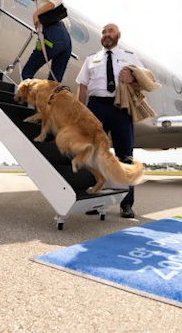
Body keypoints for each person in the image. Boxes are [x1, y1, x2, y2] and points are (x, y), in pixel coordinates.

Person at [75, 23, 144, 218]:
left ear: (118, 35)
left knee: (125, 155)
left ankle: (126, 204)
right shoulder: (91, 59)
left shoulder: (129, 56)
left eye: (110, 31)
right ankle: (94, 201)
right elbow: (82, 87)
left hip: (120, 108)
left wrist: (132, 77)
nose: (106, 34)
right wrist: (81, 113)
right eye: (104, 32)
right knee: (93, 155)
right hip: (96, 107)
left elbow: (146, 77)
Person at [18, 0, 72, 82]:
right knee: (53, 82)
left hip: (54, 33)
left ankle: (29, 98)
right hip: (66, 40)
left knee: (27, 73)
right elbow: (67, 26)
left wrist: (36, 14)